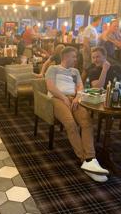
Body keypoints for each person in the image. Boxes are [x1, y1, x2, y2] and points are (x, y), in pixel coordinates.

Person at [45, 46, 109, 182]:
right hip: (57, 99)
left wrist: (76, 98)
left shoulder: (75, 71)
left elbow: (80, 87)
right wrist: (63, 98)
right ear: (65, 57)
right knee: (70, 123)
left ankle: (91, 158)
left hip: (74, 99)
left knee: (87, 122)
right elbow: (50, 87)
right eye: (73, 57)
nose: (76, 59)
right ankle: (85, 160)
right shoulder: (53, 69)